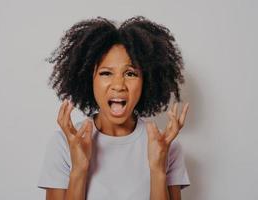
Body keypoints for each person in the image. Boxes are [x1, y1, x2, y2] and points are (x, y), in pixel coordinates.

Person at [37, 15, 190, 200]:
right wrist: (78, 170)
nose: (118, 85)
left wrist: (158, 171)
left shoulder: (167, 147)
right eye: (106, 73)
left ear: (146, 81)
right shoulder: (64, 144)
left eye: (130, 73)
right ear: (88, 79)